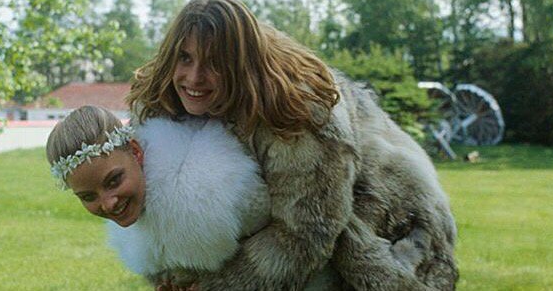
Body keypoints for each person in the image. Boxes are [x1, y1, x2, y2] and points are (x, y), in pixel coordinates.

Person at [127, 0, 458, 291]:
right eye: (185, 58)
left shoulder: (300, 113)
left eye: (214, 63)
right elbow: (154, 206)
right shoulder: (161, 104)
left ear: (240, 65)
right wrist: (176, 277)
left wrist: (218, 286)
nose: (195, 77)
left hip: (391, 225)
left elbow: (305, 233)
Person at [45, 105, 340, 291]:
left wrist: (220, 283)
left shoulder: (206, 192)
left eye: (114, 180)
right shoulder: (140, 205)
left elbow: (286, 234)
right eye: (87, 196)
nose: (108, 203)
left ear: (136, 151)